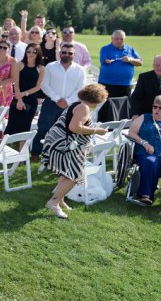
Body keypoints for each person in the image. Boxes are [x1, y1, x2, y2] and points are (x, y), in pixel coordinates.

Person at [41, 83, 110, 219]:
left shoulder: (77, 104)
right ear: (97, 98)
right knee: (74, 176)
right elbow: (74, 127)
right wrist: (97, 131)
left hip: (59, 144)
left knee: (66, 174)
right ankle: (53, 202)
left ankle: (60, 200)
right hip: (65, 146)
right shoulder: (84, 108)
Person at [32, 43, 88, 159]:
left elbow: (81, 88)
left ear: (74, 54)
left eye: (70, 53)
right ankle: (36, 153)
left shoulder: (80, 70)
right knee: (44, 128)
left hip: (71, 106)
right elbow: (44, 85)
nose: (66, 55)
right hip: (51, 103)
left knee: (66, 131)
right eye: (64, 52)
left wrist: (67, 101)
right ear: (59, 53)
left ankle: (59, 155)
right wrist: (57, 98)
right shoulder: (50, 66)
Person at [5, 44, 45, 137]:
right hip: (17, 98)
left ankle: (22, 151)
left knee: (25, 129)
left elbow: (38, 87)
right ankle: (4, 149)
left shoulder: (41, 68)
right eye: (28, 51)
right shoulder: (19, 64)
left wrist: (25, 93)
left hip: (31, 100)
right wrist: (19, 99)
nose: (31, 54)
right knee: (10, 128)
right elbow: (16, 83)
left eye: (34, 52)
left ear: (38, 53)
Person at [97, 30, 143, 109]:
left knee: (124, 108)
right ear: (112, 38)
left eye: (121, 39)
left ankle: (122, 122)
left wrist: (130, 59)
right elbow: (104, 60)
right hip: (107, 83)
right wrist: (108, 60)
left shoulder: (130, 49)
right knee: (106, 107)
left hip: (125, 84)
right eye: (116, 39)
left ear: (124, 39)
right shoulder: (105, 49)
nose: (119, 41)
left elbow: (140, 62)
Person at [0, 37, 15, 108]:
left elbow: (13, 78)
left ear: (8, 49)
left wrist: (1, 83)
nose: (2, 49)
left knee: (4, 113)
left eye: (4, 48)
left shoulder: (13, 61)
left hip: (6, 89)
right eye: (0, 47)